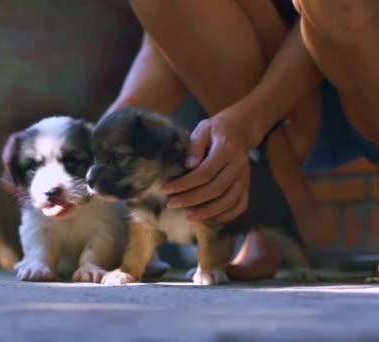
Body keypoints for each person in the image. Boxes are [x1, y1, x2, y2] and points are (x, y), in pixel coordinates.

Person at [122, 0, 379, 279]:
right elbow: (164, 42)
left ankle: (275, 185)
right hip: (293, 112)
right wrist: (102, 137)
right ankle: (280, 184)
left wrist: (247, 121)